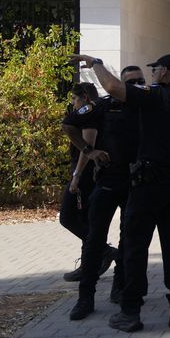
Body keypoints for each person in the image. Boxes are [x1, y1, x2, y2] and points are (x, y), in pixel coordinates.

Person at [70, 53, 170, 332]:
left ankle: (130, 310)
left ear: (164, 71)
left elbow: (111, 88)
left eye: (154, 69)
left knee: (134, 246)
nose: (151, 73)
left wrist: (96, 63)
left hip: (148, 184)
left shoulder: (154, 95)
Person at [64, 69, 142, 320]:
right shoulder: (103, 106)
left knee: (129, 238)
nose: (136, 86)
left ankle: (121, 287)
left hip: (135, 182)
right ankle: (85, 297)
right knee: (94, 240)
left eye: (140, 81)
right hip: (108, 181)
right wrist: (89, 151)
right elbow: (69, 124)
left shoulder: (148, 104)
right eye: (130, 82)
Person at [59, 82, 116, 284]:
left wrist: (76, 176)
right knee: (84, 219)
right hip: (85, 172)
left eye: (74, 99)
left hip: (85, 173)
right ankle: (88, 264)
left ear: (84, 97)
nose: (73, 104)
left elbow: (88, 149)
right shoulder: (92, 112)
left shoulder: (88, 116)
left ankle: (103, 250)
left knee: (67, 217)